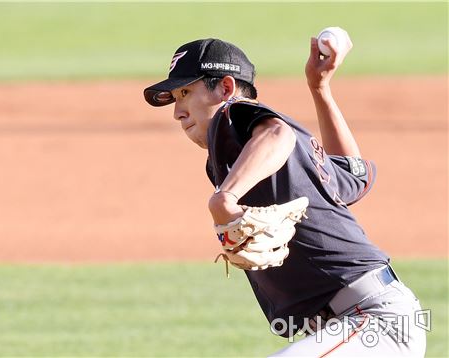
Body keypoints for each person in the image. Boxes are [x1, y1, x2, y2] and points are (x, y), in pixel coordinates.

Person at [143, 36, 426, 356]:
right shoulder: (286, 160)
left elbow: (278, 133)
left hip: (372, 320)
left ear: (225, 88)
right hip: (363, 323)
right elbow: (352, 174)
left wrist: (225, 198)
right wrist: (320, 89)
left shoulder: (232, 115)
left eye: (185, 93)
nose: (177, 112)